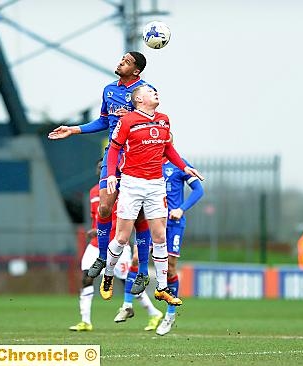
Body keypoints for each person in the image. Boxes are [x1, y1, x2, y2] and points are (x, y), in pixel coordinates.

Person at [48, 52, 152, 288]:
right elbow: (104, 121)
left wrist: (135, 118)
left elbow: (152, 122)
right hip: (113, 155)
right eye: (121, 59)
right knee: (104, 207)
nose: (120, 62)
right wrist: (74, 130)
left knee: (141, 217)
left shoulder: (146, 91)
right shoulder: (109, 90)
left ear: (136, 70)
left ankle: (143, 271)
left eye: (126, 62)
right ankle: (103, 257)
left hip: (137, 157)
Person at [100, 84, 204, 307]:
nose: (155, 93)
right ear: (138, 100)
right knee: (121, 237)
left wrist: (184, 168)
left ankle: (162, 287)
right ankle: (108, 275)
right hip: (132, 183)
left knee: (159, 237)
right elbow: (114, 149)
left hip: (155, 185)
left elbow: (168, 150)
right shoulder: (127, 121)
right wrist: (110, 175)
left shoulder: (164, 119)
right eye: (149, 91)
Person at [69, 159, 158, 331]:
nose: (101, 168)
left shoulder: (125, 192)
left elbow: (126, 220)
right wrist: (94, 230)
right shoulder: (94, 192)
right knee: (87, 277)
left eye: (105, 165)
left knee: (128, 284)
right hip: (96, 245)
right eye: (100, 166)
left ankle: (153, 313)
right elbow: (98, 218)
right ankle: (85, 321)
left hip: (118, 245)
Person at [155, 135, 204, 335]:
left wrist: (181, 209)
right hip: (154, 222)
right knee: (141, 259)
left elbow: (198, 190)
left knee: (170, 267)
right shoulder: (148, 164)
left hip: (174, 223)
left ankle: (170, 314)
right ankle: (130, 303)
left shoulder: (180, 164)